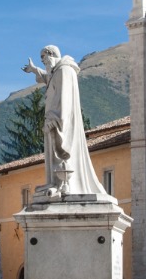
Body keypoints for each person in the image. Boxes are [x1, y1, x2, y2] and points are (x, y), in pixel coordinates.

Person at [22, 45, 112, 200]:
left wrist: (56, 119)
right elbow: (48, 78)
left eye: (44, 59)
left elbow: (64, 97)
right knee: (54, 153)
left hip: (59, 121)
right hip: (54, 119)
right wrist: (35, 70)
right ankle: (55, 182)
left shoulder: (64, 70)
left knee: (61, 152)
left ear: (51, 54)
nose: (44, 63)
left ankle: (63, 184)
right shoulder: (57, 71)